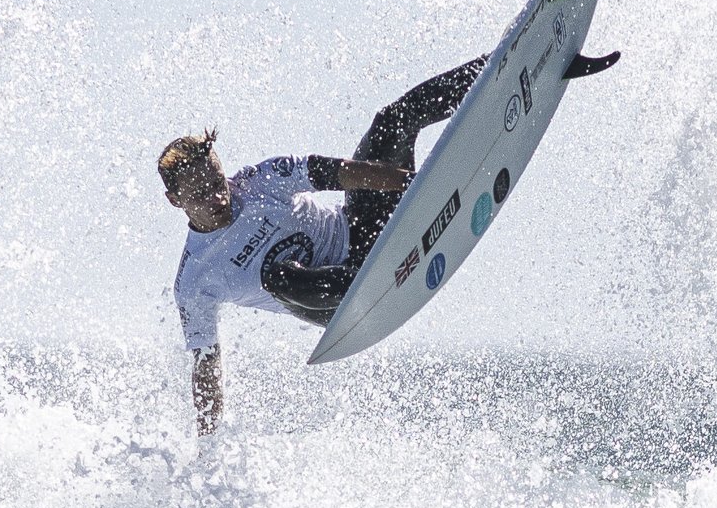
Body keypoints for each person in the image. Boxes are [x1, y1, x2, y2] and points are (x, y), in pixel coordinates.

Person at [159, 58, 482, 433]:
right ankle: (366, 281)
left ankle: (499, 64)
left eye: (217, 182)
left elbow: (341, 173)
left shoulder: (262, 180)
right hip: (336, 304)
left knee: (391, 120)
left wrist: (417, 186)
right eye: (200, 193)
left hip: (362, 232)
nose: (217, 197)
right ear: (174, 200)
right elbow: (206, 363)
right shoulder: (194, 279)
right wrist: (206, 443)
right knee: (277, 277)